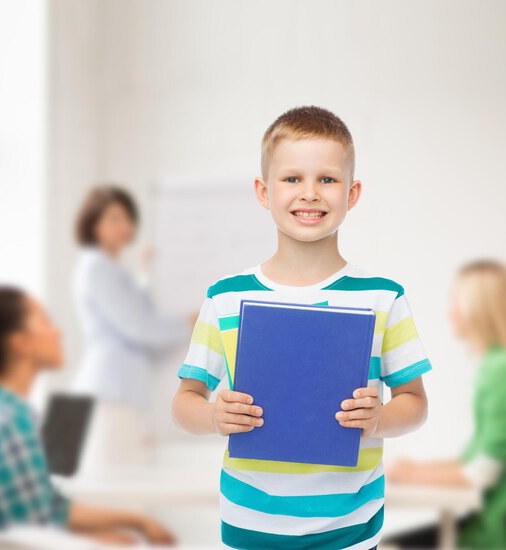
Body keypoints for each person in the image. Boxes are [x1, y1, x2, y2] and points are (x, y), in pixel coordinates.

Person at [171, 105, 433, 550]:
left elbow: (415, 403)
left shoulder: (383, 296)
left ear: (351, 193)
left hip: (350, 531)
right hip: (250, 528)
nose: (309, 193)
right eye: (292, 179)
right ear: (263, 190)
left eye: (327, 179)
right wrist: (214, 416)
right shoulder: (225, 297)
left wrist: (379, 418)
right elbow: (185, 402)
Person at [0, 284, 175, 546]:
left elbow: (49, 510)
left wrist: (134, 520)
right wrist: (107, 541)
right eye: (45, 321)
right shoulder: (8, 424)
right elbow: (32, 537)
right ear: (20, 343)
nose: (58, 331)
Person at [383, 259, 506, 549]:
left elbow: (481, 473)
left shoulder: (503, 371)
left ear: (480, 310)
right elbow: (477, 458)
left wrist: (414, 475)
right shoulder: (502, 365)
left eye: (457, 301)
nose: (451, 312)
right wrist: (416, 470)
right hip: (502, 516)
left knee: (392, 546)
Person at [72, 185, 196, 469]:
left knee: (123, 482)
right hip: (108, 395)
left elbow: (135, 310)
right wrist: (188, 322)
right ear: (93, 223)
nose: (125, 226)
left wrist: (145, 272)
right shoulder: (96, 267)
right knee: (116, 488)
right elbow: (138, 325)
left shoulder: (110, 268)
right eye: (114, 219)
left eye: (128, 218)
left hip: (117, 394)